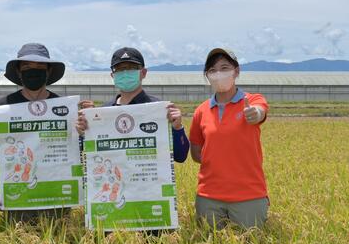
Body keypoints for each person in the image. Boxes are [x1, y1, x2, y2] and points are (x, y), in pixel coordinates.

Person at [189, 48, 270, 230]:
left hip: (248, 195)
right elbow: (196, 152)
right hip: (208, 196)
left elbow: (260, 111)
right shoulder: (201, 111)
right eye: (212, 70)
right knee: (209, 243)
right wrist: (219, 160)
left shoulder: (252, 100)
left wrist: (255, 114)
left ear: (236, 71)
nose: (219, 74)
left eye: (224, 68)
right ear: (207, 76)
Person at [0, 43, 68, 224]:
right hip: (16, 193)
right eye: (26, 67)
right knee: (17, 237)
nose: (33, 71)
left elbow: (74, 147)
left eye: (40, 67)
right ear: (19, 72)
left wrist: (87, 124)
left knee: (56, 237)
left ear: (48, 71)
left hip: (55, 195)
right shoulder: (2, 106)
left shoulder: (63, 106)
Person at [76, 47, 189, 163]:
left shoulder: (160, 110)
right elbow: (89, 154)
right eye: (119, 69)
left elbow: (180, 156)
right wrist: (85, 132)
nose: (125, 73)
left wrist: (177, 128)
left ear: (143, 73)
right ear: (113, 75)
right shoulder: (104, 111)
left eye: (131, 68)